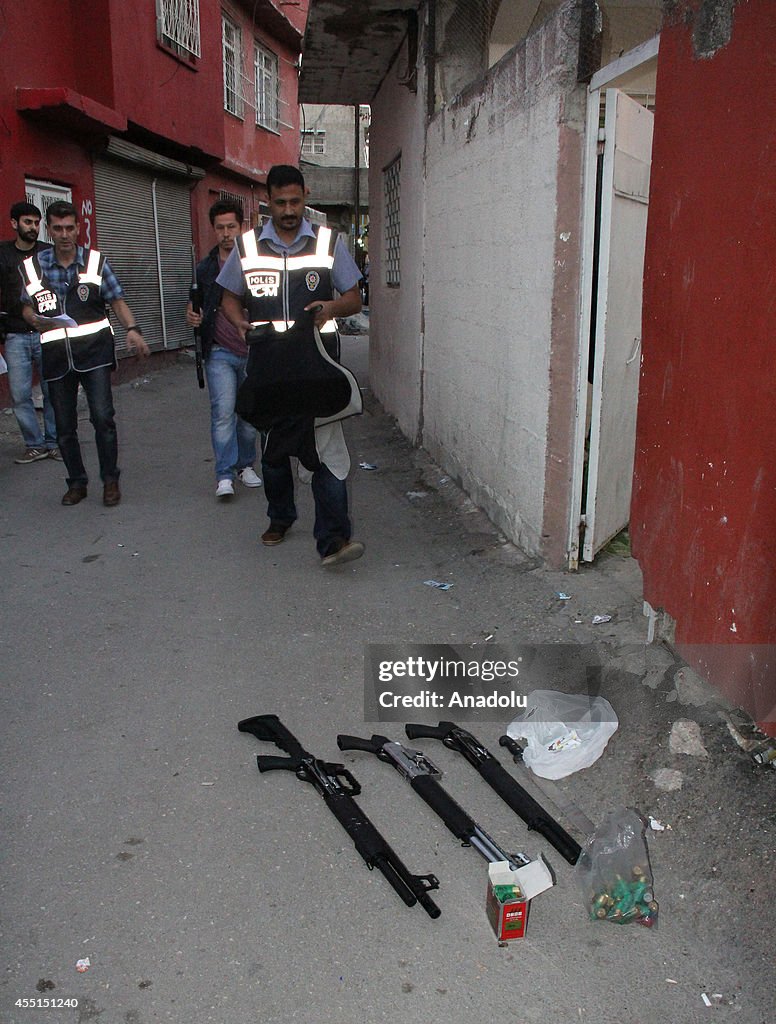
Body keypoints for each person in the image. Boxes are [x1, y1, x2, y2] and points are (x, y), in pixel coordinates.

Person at [217, 164, 365, 566]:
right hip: (269, 369)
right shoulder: (247, 247)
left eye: (295, 201)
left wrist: (331, 306)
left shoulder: (328, 242)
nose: (288, 209)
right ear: (268, 200)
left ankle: (334, 539)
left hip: (317, 367)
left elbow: (354, 297)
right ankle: (280, 517)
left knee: (328, 453)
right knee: (274, 454)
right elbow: (228, 297)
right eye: (280, 202)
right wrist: (237, 321)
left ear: (305, 196)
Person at [20, 200, 149, 507]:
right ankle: (77, 482)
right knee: (64, 427)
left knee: (103, 418)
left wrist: (133, 328)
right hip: (55, 357)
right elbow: (25, 305)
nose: (65, 234)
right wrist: (33, 319)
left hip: (94, 354)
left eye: (70, 228)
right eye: (58, 228)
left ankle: (110, 481)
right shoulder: (33, 266)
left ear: (79, 228)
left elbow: (116, 300)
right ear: (49, 230)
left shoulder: (95, 262)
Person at [186, 200, 261, 500]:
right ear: (213, 230)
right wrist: (191, 315)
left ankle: (246, 465)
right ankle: (224, 474)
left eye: (231, 226)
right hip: (218, 351)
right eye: (220, 228)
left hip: (252, 350)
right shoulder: (205, 268)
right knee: (223, 412)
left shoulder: (255, 262)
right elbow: (194, 305)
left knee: (248, 414)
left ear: (241, 227)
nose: (226, 233)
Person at [0, 201, 59, 463]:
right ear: (14, 224)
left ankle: (55, 441)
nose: (33, 228)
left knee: (52, 389)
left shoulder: (47, 253)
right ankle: (34, 443)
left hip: (47, 332)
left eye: (36, 223)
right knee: (20, 393)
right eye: (27, 222)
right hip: (15, 333)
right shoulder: (2, 254)